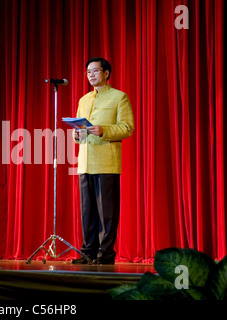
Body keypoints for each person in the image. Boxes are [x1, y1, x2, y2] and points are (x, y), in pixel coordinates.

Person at [72, 57, 135, 265]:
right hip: (85, 162)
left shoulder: (119, 97)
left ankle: (105, 254)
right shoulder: (84, 100)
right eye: (88, 71)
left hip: (107, 162)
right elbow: (78, 131)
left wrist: (103, 130)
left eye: (95, 71)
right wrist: (77, 134)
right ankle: (87, 252)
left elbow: (127, 127)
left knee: (106, 211)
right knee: (87, 211)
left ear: (106, 73)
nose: (91, 74)